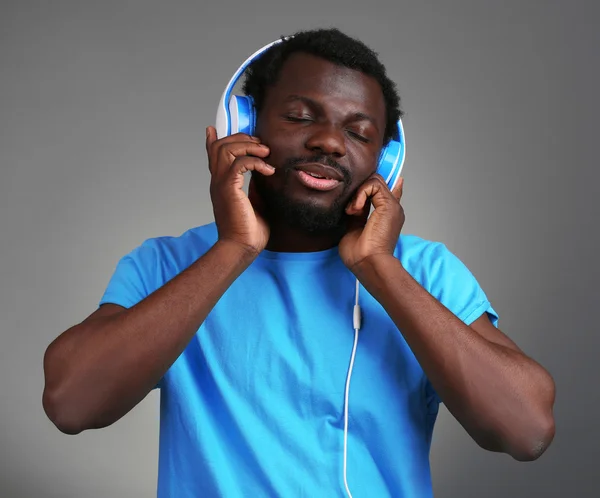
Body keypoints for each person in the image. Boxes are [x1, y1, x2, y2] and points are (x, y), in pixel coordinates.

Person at [42, 28, 556, 497]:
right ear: (241, 124)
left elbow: (527, 430)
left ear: (388, 162)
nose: (329, 142)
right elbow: (71, 403)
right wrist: (233, 249)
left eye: (358, 132)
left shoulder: (424, 273)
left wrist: (379, 268)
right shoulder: (167, 265)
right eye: (299, 116)